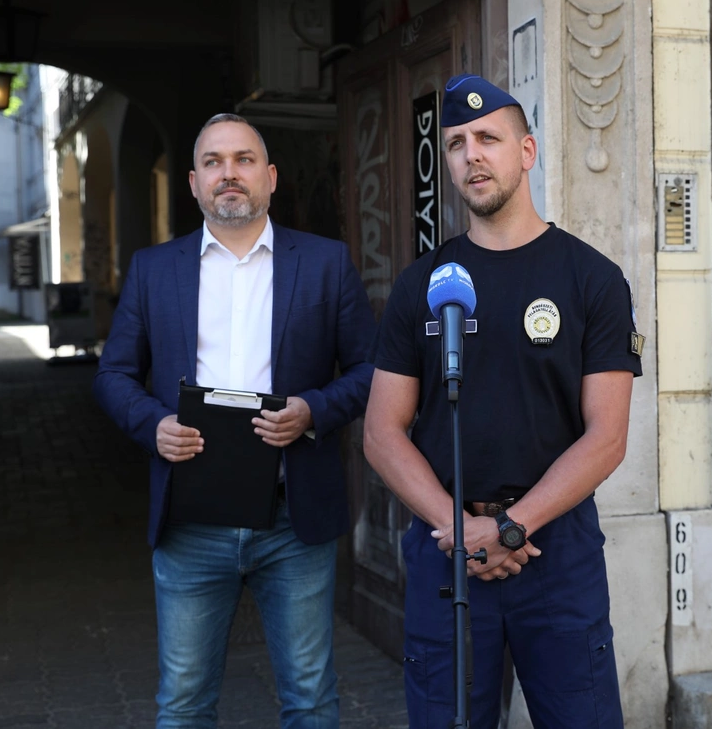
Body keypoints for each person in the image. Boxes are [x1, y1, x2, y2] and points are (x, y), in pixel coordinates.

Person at [363, 74, 643, 728]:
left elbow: (606, 437)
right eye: (456, 144)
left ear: (527, 151)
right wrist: (463, 534)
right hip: (446, 549)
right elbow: (381, 433)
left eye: (488, 138)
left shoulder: (592, 279)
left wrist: (512, 528)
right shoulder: (423, 284)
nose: (472, 156)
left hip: (555, 552)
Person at [93, 113, 375, 729]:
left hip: (293, 519)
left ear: (269, 177)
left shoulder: (325, 263)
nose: (229, 173)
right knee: (184, 704)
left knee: (310, 699)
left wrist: (314, 410)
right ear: (193, 182)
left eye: (244, 159)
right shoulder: (154, 269)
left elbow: (370, 368)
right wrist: (153, 425)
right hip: (191, 520)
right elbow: (113, 374)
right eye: (213, 162)